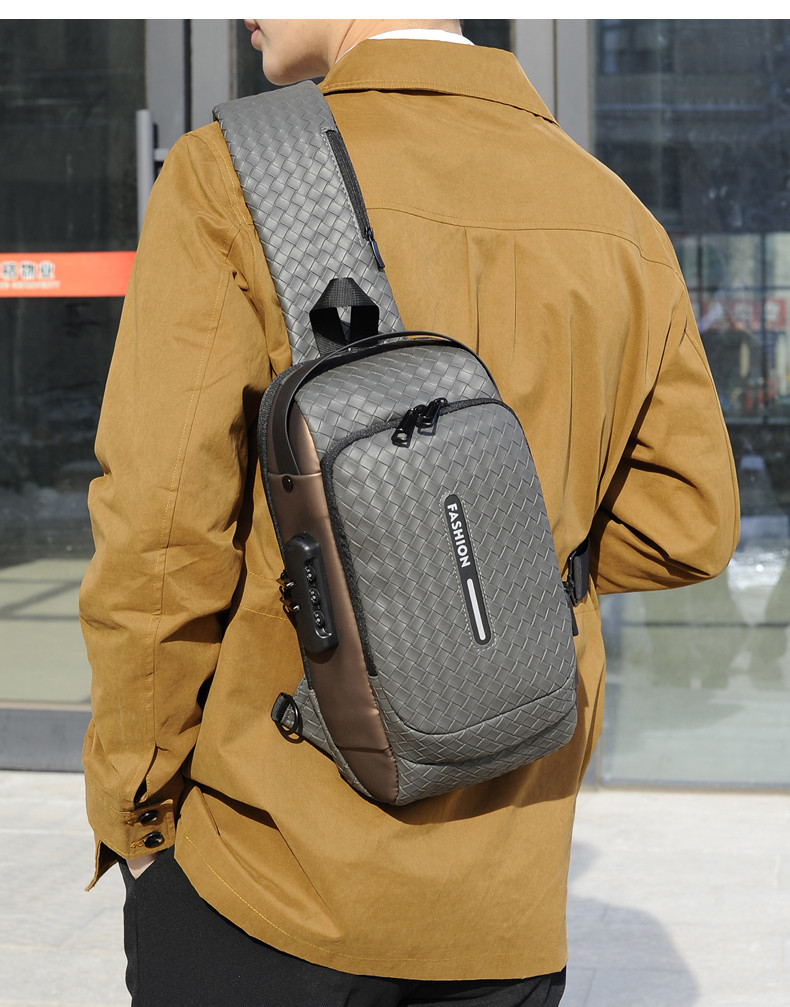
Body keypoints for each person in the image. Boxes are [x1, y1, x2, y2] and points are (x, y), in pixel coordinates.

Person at [79, 19, 739, 1006]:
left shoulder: (234, 172)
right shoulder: (615, 215)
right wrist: (499, 559)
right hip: (503, 901)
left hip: (269, 876)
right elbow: (686, 527)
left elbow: (161, 537)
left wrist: (138, 819)